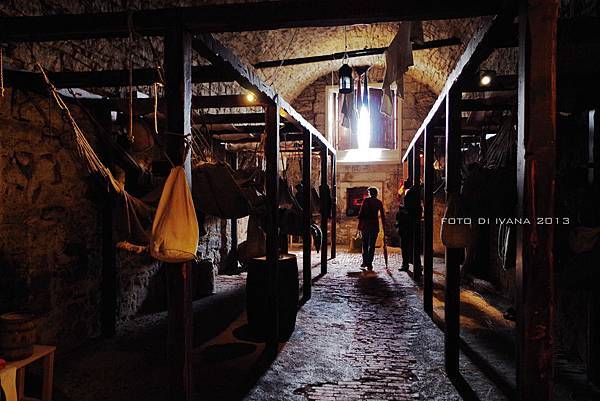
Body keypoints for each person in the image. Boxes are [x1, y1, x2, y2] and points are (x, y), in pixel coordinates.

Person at [358, 187, 385, 271]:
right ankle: (369, 263)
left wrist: (359, 225)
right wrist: (384, 226)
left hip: (366, 225)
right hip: (374, 225)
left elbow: (361, 213)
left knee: (365, 244)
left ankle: (365, 261)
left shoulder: (366, 201)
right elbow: (383, 215)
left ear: (370, 193)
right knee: (372, 245)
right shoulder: (379, 202)